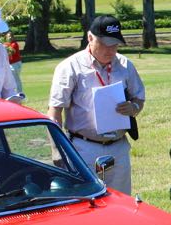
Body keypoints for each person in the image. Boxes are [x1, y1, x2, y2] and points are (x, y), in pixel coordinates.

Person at [49, 14, 144, 194]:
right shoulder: (70, 67)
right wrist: (57, 151)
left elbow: (139, 98)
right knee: (87, 201)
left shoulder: (125, 65)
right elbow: (55, 111)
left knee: (122, 201)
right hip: (83, 148)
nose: (110, 50)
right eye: (105, 44)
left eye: (115, 44)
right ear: (90, 37)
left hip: (118, 146)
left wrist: (134, 108)